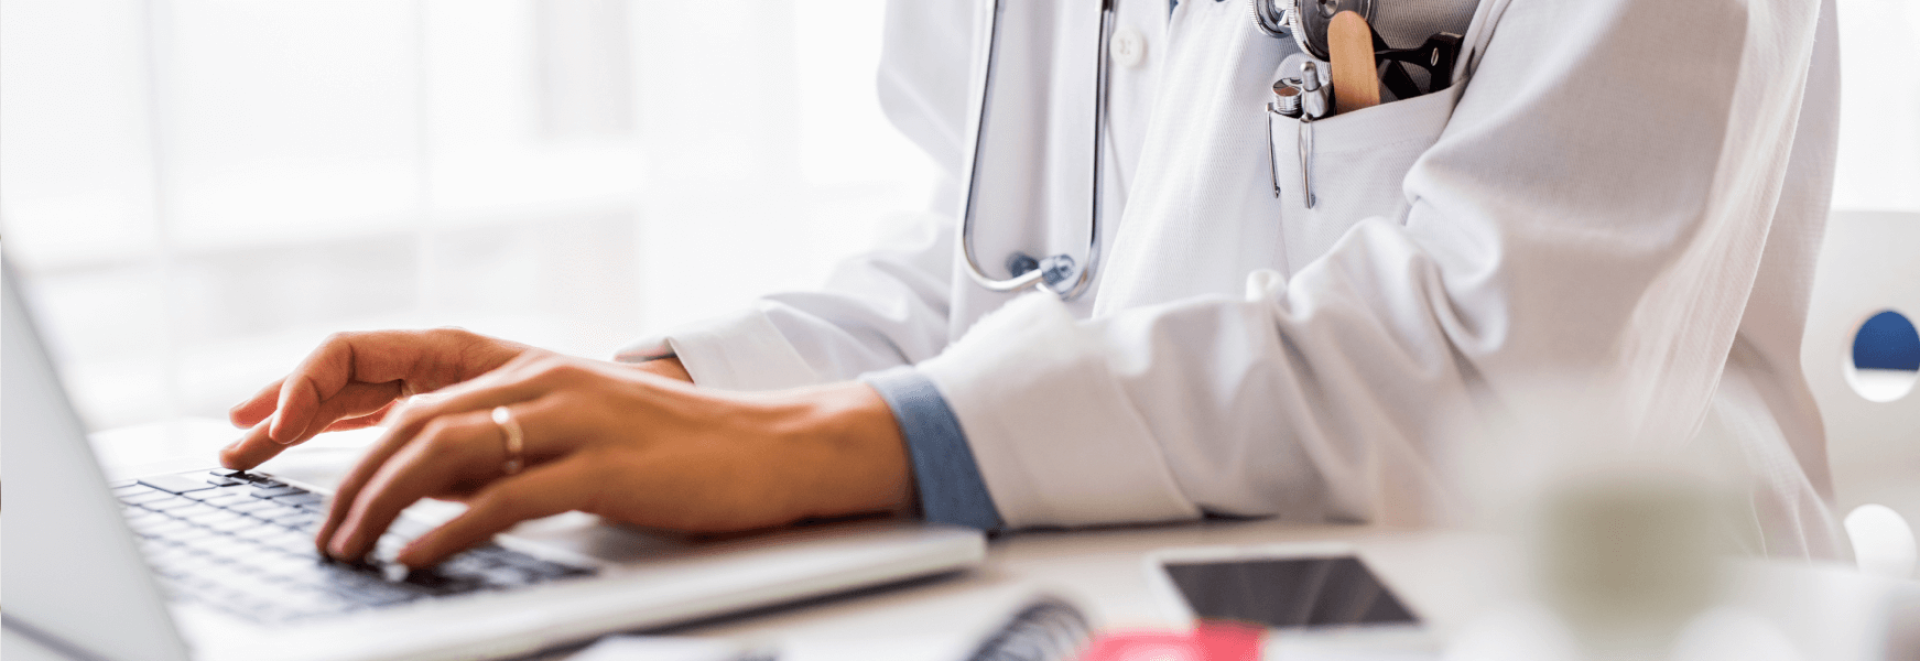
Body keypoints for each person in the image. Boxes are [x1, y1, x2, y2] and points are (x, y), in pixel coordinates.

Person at [220, 0, 1846, 569]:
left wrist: (822, 450)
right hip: (1160, 599)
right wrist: (660, 394)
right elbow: (997, 273)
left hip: (1591, 620)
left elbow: (1510, 374)